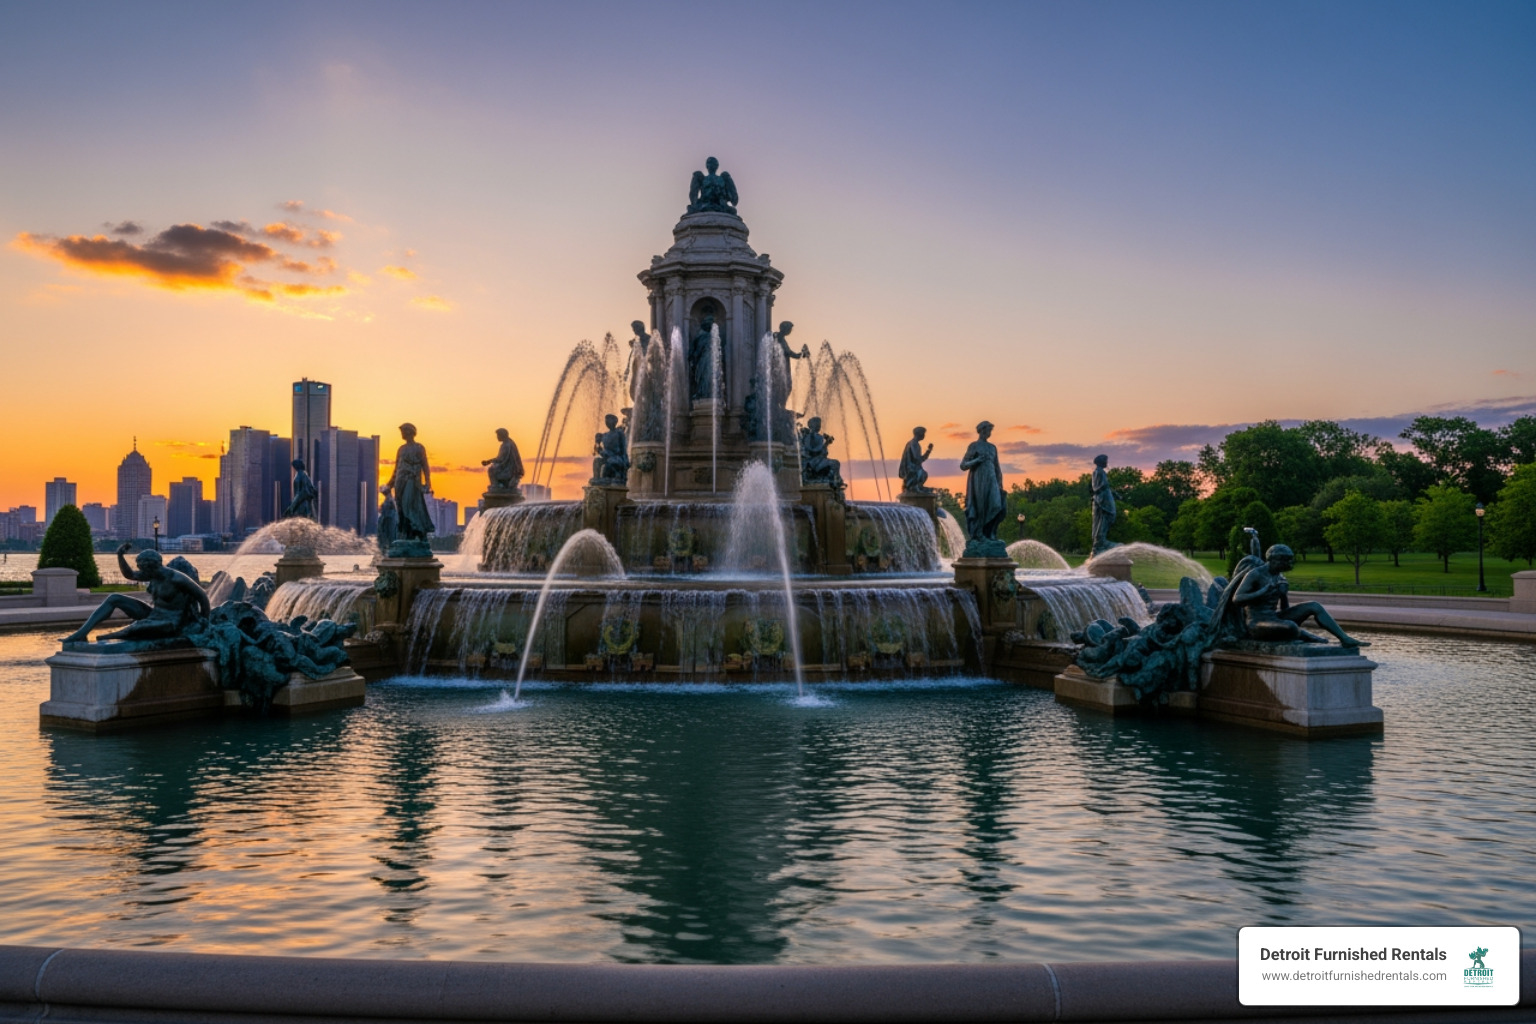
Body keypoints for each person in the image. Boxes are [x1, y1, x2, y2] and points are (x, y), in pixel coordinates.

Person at [1220, 544, 1370, 647]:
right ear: (1274, 560)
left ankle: (1344, 638)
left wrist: (1283, 594)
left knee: (1314, 606)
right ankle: (1303, 635)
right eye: (1287, 560)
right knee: (1291, 627)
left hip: (1275, 618)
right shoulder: (1255, 574)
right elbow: (1237, 599)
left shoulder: (1279, 576)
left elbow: (1285, 609)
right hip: (1257, 623)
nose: (1290, 564)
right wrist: (1262, 592)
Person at [60, 545, 210, 644]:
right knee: (114, 598)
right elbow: (130, 574)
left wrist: (204, 624)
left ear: (152, 566)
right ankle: (82, 633)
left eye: (143, 568)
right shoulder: (152, 574)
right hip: (154, 615)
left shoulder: (176, 578)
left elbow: (202, 597)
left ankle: (109, 637)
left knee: (138, 627)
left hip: (171, 622)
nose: (141, 572)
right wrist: (120, 555)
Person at [960, 421, 1005, 544]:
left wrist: (1000, 484)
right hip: (979, 479)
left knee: (997, 505)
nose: (989, 433)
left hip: (992, 479)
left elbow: (997, 467)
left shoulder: (992, 447)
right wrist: (976, 460)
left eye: (990, 430)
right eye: (988, 430)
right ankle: (979, 534)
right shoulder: (974, 446)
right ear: (981, 430)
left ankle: (990, 532)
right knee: (980, 506)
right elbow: (963, 465)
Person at [389, 423, 433, 541]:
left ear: (409, 432)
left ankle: (419, 530)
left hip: (412, 480)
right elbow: (396, 468)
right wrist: (390, 484)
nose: (402, 434)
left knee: (408, 505)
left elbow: (425, 465)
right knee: (401, 508)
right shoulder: (401, 449)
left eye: (403, 431)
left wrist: (428, 482)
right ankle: (408, 534)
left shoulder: (419, 447)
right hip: (400, 481)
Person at [799, 417, 845, 499]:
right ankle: (835, 482)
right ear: (811, 425)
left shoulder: (819, 437)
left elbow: (823, 453)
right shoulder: (809, 436)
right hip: (811, 462)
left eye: (819, 425)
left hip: (818, 460)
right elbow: (812, 450)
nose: (818, 426)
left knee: (835, 463)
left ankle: (834, 481)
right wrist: (825, 443)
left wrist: (827, 443)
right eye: (816, 424)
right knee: (834, 463)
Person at [1090, 454, 1118, 555]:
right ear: (1101, 462)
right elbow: (1095, 488)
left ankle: (1101, 540)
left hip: (1105, 498)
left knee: (1110, 517)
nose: (1107, 462)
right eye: (1106, 460)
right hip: (1101, 500)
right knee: (1105, 517)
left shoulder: (1101, 472)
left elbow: (1104, 487)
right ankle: (1099, 542)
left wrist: (1113, 493)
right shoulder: (1097, 472)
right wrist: (1104, 487)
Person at [899, 426, 934, 494]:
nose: (924, 435)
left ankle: (917, 486)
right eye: (923, 433)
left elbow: (919, 459)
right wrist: (928, 451)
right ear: (919, 434)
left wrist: (929, 451)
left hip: (914, 468)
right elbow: (917, 459)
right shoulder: (913, 444)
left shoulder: (914, 443)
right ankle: (914, 487)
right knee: (923, 474)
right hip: (911, 470)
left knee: (923, 474)